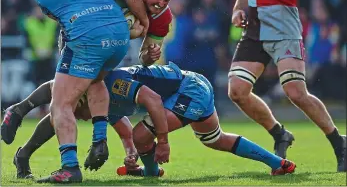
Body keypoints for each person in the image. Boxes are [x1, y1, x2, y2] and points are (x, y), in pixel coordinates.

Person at [2, 0, 182, 178]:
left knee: (66, 103)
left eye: (167, 0)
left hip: (112, 57)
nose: (161, 4)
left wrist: (150, 56)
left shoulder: (163, 18)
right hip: (82, 40)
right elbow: (85, 8)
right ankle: (85, 142)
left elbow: (144, 57)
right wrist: (138, 27)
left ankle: (23, 127)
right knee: (67, 101)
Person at [11, 62, 296, 179]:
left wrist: (163, 141)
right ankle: (278, 164)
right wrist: (130, 153)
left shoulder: (113, 85)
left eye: (78, 113)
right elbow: (123, 128)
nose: (81, 120)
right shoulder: (99, 104)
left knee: (144, 134)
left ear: (83, 99)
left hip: (189, 89)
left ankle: (152, 172)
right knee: (215, 140)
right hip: (190, 88)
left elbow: (153, 100)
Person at [227, 0, 346, 172]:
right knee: (237, 91)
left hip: (284, 29)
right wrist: (238, 8)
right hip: (255, 28)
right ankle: (280, 133)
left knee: (296, 92)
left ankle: (339, 142)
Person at [31, 0, 149, 183]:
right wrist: (145, 24)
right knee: (96, 79)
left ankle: (70, 167)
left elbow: (61, 20)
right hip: (119, 37)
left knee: (61, 104)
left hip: (85, 37)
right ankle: (99, 139)